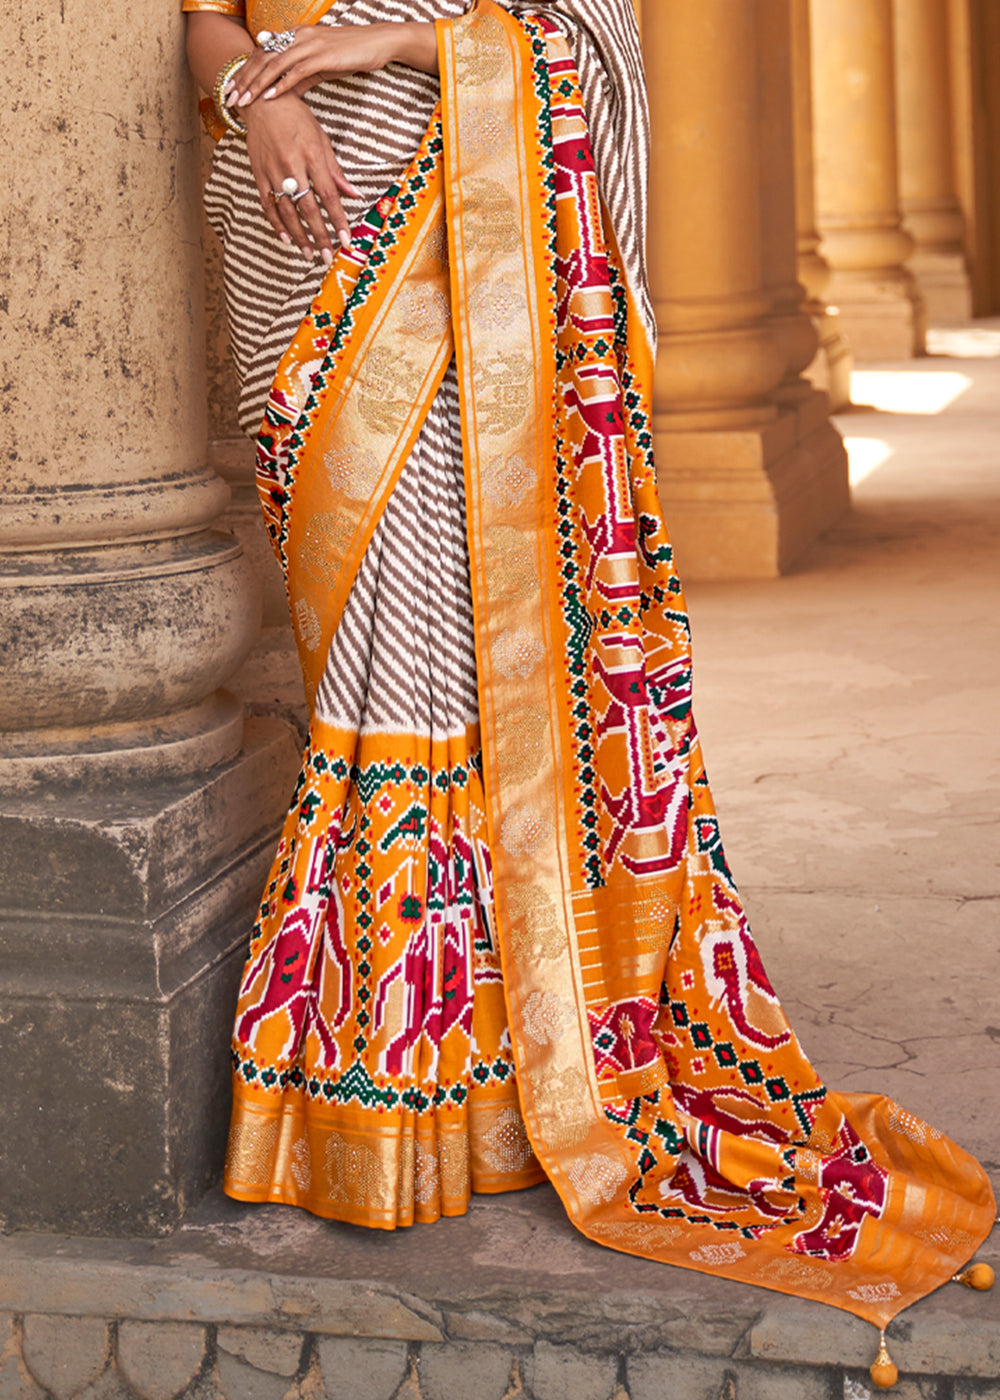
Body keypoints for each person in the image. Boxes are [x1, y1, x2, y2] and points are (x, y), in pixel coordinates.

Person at [184, 1, 994, 1386]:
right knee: (368, 625)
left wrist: (404, 45)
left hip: (476, 201)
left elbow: (591, 26)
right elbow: (200, 15)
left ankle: (489, 1082)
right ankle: (397, 1079)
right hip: (306, 215)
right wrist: (259, 102)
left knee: (457, 645)